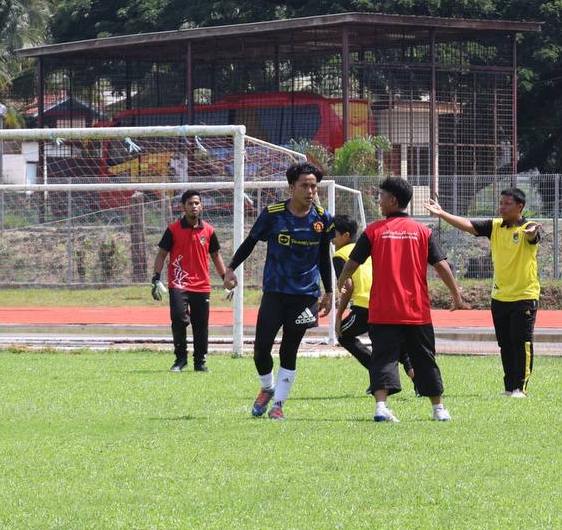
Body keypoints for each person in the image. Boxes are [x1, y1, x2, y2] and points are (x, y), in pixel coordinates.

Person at [336, 176, 461, 423]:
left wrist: (340, 283)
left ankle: (381, 407)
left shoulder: (374, 231)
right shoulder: (423, 231)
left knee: (383, 357)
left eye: (381, 196)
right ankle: (438, 409)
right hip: (416, 310)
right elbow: (441, 265)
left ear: (393, 200)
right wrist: (456, 293)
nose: (378, 200)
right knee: (425, 358)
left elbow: (352, 263)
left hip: (382, 310)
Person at [226, 161, 334, 420]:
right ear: (291, 187)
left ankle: (279, 405)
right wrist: (231, 268)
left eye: (314, 187)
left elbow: (323, 256)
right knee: (261, 348)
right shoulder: (273, 214)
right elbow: (251, 242)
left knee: (289, 348)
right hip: (275, 291)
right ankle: (267, 388)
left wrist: (329, 291)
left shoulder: (322, 219)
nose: (310, 191)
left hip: (306, 295)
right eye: (305, 186)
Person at [425, 187, 541, 398]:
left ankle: (520, 388)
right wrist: (442, 214)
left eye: (507, 204)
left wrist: (532, 231)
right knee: (505, 344)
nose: (502, 207)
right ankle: (509, 387)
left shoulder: (526, 227)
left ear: (520, 206)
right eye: (501, 203)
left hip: (524, 296)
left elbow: (533, 233)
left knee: (521, 342)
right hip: (499, 297)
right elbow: (468, 225)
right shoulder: (495, 226)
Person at [150, 189, 237, 372]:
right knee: (179, 319)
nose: (194, 206)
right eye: (190, 203)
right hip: (178, 283)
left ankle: (200, 362)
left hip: (202, 285)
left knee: (201, 325)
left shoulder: (209, 230)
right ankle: (180, 359)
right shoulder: (173, 229)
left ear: (201, 206)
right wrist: (156, 278)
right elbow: (161, 255)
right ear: (183, 207)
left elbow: (216, 256)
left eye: (197, 203)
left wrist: (225, 279)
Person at [331, 214, 415, 393]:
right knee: (393, 342)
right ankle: (418, 380)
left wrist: (338, 316)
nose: (331, 239)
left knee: (343, 335)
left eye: (334, 234)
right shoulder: (367, 247)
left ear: (345, 236)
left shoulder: (340, 254)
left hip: (365, 306)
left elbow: (348, 285)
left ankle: (377, 374)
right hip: (386, 302)